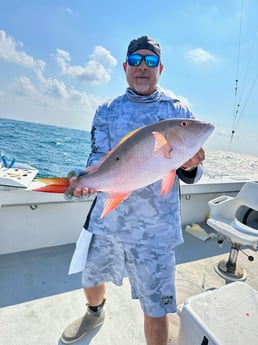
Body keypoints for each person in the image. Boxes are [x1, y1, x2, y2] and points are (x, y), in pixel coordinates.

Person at [61, 35, 205, 345]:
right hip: (109, 219)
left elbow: (192, 169)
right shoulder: (107, 110)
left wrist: (191, 165)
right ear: (125, 66)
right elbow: (97, 158)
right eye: (136, 60)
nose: (143, 67)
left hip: (156, 228)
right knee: (92, 276)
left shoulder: (177, 111)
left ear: (160, 68)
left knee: (156, 307)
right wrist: (84, 181)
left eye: (150, 61)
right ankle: (95, 312)